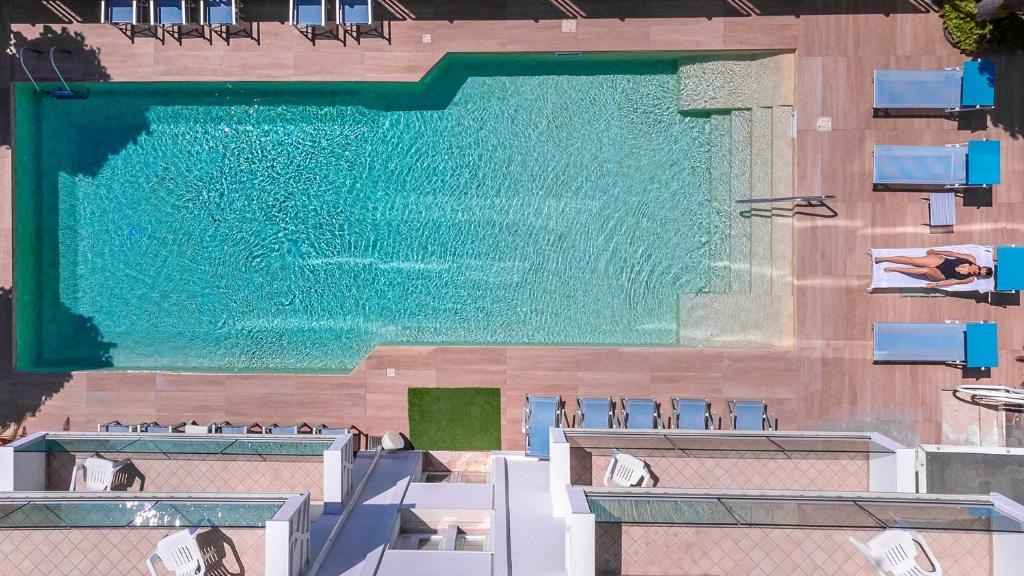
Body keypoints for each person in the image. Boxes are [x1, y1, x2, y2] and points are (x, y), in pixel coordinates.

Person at [874, 248, 992, 288]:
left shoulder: (969, 279)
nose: (976, 269)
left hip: (940, 274)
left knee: (925, 270)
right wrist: (936, 251)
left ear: (978, 275)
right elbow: (953, 254)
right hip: (942, 261)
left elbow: (953, 282)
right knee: (912, 261)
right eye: (979, 268)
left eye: (978, 273)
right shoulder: (971, 258)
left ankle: (895, 269)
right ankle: (883, 259)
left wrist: (935, 285)